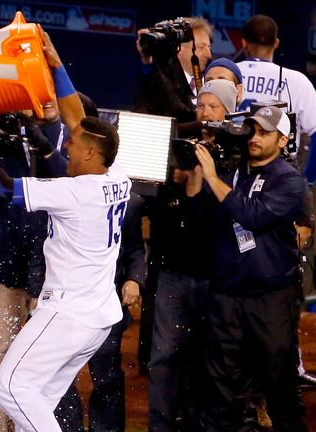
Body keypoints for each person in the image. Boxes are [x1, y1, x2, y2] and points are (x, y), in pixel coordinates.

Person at [0, 32, 129, 430]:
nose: (66, 146)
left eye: (74, 145)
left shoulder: (75, 192)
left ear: (90, 154)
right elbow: (76, 120)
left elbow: (1, 185)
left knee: (10, 389)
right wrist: (55, 62)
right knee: (40, 399)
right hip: (98, 315)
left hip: (69, 312)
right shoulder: (117, 173)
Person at [186, 105, 308, 430]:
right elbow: (200, 219)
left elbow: (253, 216)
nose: (256, 138)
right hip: (225, 296)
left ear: (283, 140)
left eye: (266, 132)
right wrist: (199, 173)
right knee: (221, 390)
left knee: (279, 387)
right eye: (253, 130)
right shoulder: (232, 173)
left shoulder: (290, 181)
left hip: (269, 300)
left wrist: (213, 177)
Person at [0, 111, 64, 432]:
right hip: (4, 268)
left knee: (46, 357)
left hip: (51, 274)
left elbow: (60, 181)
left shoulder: (52, 144)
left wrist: (39, 139)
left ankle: (37, 423)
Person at [145, 80, 237, 431]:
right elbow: (157, 204)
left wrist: (201, 176)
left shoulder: (235, 158)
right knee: (164, 357)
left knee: (209, 360)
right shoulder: (176, 151)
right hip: (174, 271)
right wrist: (176, 178)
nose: (205, 113)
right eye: (201, 106)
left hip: (216, 275)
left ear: (228, 113)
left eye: (214, 107)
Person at [54, 192, 145, 432]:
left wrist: (135, 279)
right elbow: (44, 244)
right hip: (66, 301)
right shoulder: (64, 195)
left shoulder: (130, 202)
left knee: (106, 375)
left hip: (106, 301)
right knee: (59, 373)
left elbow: (135, 249)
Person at [236, 15, 316, 172]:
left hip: (232, 169)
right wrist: (309, 179)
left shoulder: (224, 73)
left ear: (243, 42)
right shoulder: (297, 80)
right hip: (279, 173)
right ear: (276, 43)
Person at [135, 17, 214, 123]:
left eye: (209, 47)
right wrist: (147, 61)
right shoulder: (161, 82)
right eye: (201, 47)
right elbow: (175, 110)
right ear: (179, 49)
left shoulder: (210, 84)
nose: (209, 55)